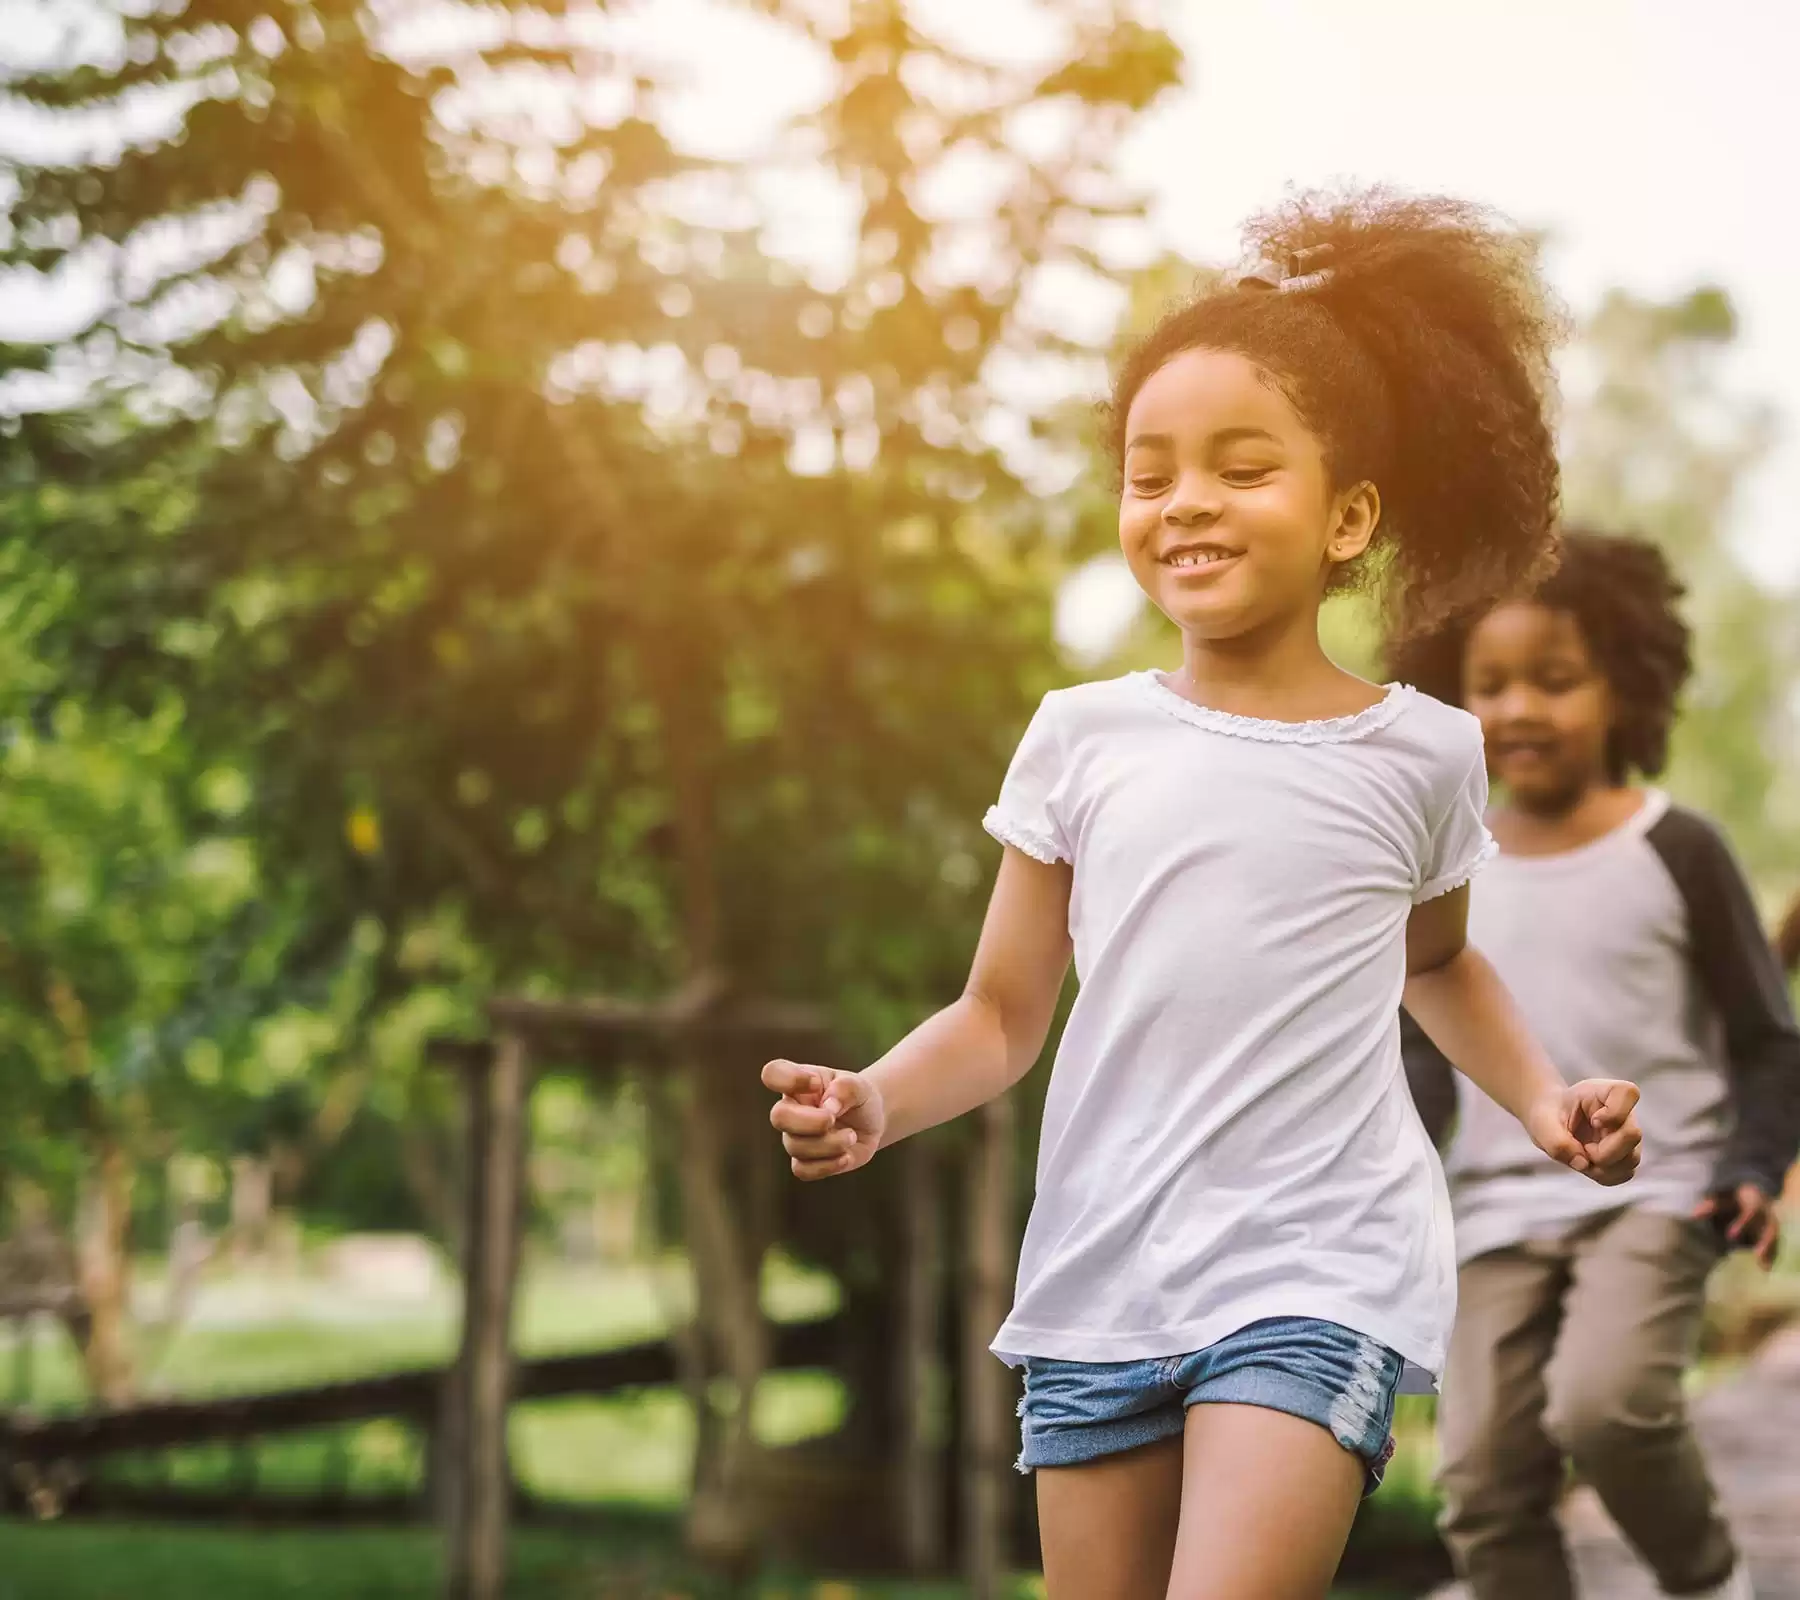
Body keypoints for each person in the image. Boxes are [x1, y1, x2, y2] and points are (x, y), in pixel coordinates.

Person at [763, 191, 1644, 1600]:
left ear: (1348, 514)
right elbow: (999, 1016)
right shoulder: (1080, 739)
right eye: (1149, 471)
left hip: (1318, 1268)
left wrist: (1542, 1102)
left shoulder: (1424, 751)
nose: (1184, 502)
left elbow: (1441, 965)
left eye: (1241, 468)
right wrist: (877, 1100)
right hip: (1104, 1274)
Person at [1395, 530, 1800, 1600]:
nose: (1518, 706)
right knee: (1482, 1478)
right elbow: (1423, 1049)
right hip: (1491, 1210)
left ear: (1624, 686)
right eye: (1489, 684)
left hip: (1661, 1191)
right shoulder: (1449, 863)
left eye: (1555, 680)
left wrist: (1755, 1168)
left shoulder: (1679, 849)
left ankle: (1709, 1579)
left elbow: (1769, 1036)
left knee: (1607, 1404)